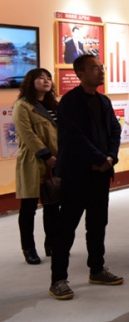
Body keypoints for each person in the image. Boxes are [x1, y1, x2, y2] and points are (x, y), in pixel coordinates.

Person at [49, 54, 123, 300]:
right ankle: (58, 279)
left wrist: (110, 157)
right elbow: (73, 137)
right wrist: (99, 158)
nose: (100, 71)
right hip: (76, 174)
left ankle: (97, 269)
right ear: (80, 73)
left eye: (101, 67)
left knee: (98, 223)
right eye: (94, 68)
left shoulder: (103, 100)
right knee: (66, 227)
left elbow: (114, 129)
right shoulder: (70, 102)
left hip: (101, 173)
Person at [13, 68, 60, 265]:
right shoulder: (23, 106)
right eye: (40, 78)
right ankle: (29, 248)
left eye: (48, 78)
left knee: (52, 205)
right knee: (28, 208)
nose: (46, 81)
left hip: (55, 160)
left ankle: (52, 244)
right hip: (33, 161)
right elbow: (27, 134)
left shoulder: (53, 105)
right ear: (30, 82)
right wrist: (46, 155)